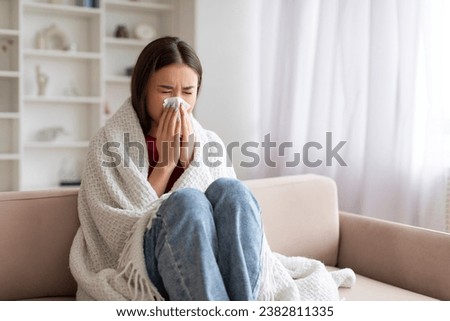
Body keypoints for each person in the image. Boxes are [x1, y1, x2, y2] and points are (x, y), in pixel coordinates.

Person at [69, 36, 354, 301]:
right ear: (142, 90)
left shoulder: (208, 143)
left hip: (215, 258)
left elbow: (234, 226)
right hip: (146, 260)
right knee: (187, 200)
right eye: (166, 90)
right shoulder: (110, 143)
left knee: (232, 191)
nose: (178, 101)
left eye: (188, 91)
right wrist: (166, 165)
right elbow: (123, 230)